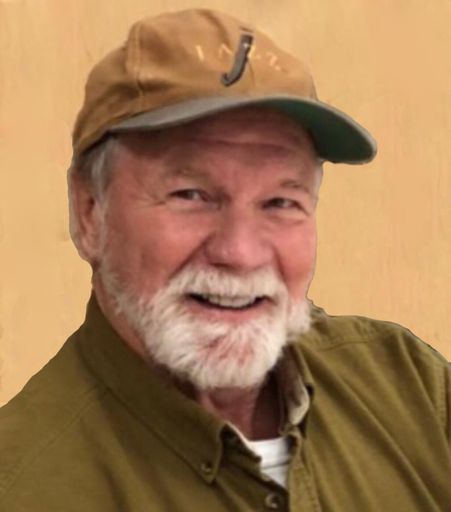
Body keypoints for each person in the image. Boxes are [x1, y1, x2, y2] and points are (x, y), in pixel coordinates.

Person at [1, 8, 450, 512]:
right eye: (191, 195)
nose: (240, 252)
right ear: (89, 213)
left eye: (281, 202)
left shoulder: (412, 387)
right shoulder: (22, 485)